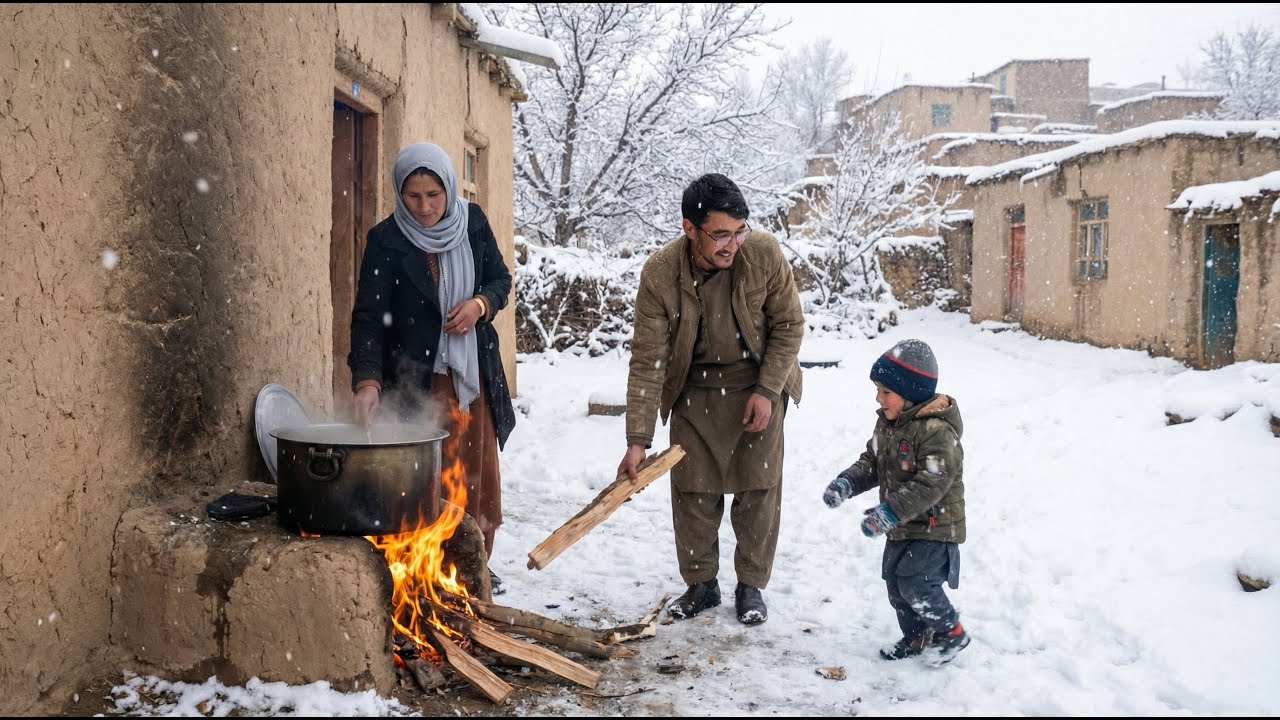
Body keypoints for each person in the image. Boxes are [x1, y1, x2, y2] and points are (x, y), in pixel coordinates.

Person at [616, 173, 804, 626]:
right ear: (689, 228)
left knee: (758, 491)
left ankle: (751, 586)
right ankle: (701, 585)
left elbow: (789, 327)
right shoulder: (660, 274)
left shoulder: (763, 254)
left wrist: (767, 390)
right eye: (720, 234)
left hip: (758, 384)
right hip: (694, 391)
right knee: (692, 492)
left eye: (739, 231)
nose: (732, 245)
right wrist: (638, 438)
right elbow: (648, 358)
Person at [348, 142, 516, 593]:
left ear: (449, 189)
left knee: (473, 474)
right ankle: (429, 561)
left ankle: (475, 557)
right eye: (413, 196)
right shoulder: (386, 241)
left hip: (469, 379)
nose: (424, 207)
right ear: (399, 193)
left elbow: (501, 280)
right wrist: (367, 380)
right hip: (414, 380)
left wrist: (481, 305)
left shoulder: (473, 223)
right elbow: (368, 317)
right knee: (424, 475)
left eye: (434, 195)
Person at [822, 338, 969, 665]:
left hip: (934, 526)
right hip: (903, 526)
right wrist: (847, 482)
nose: (878, 398)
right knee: (895, 583)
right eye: (877, 389)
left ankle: (951, 632)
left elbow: (932, 482)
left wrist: (888, 513)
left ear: (911, 392)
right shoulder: (888, 425)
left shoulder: (936, 431)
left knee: (916, 583)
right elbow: (872, 462)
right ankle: (916, 636)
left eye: (886, 392)